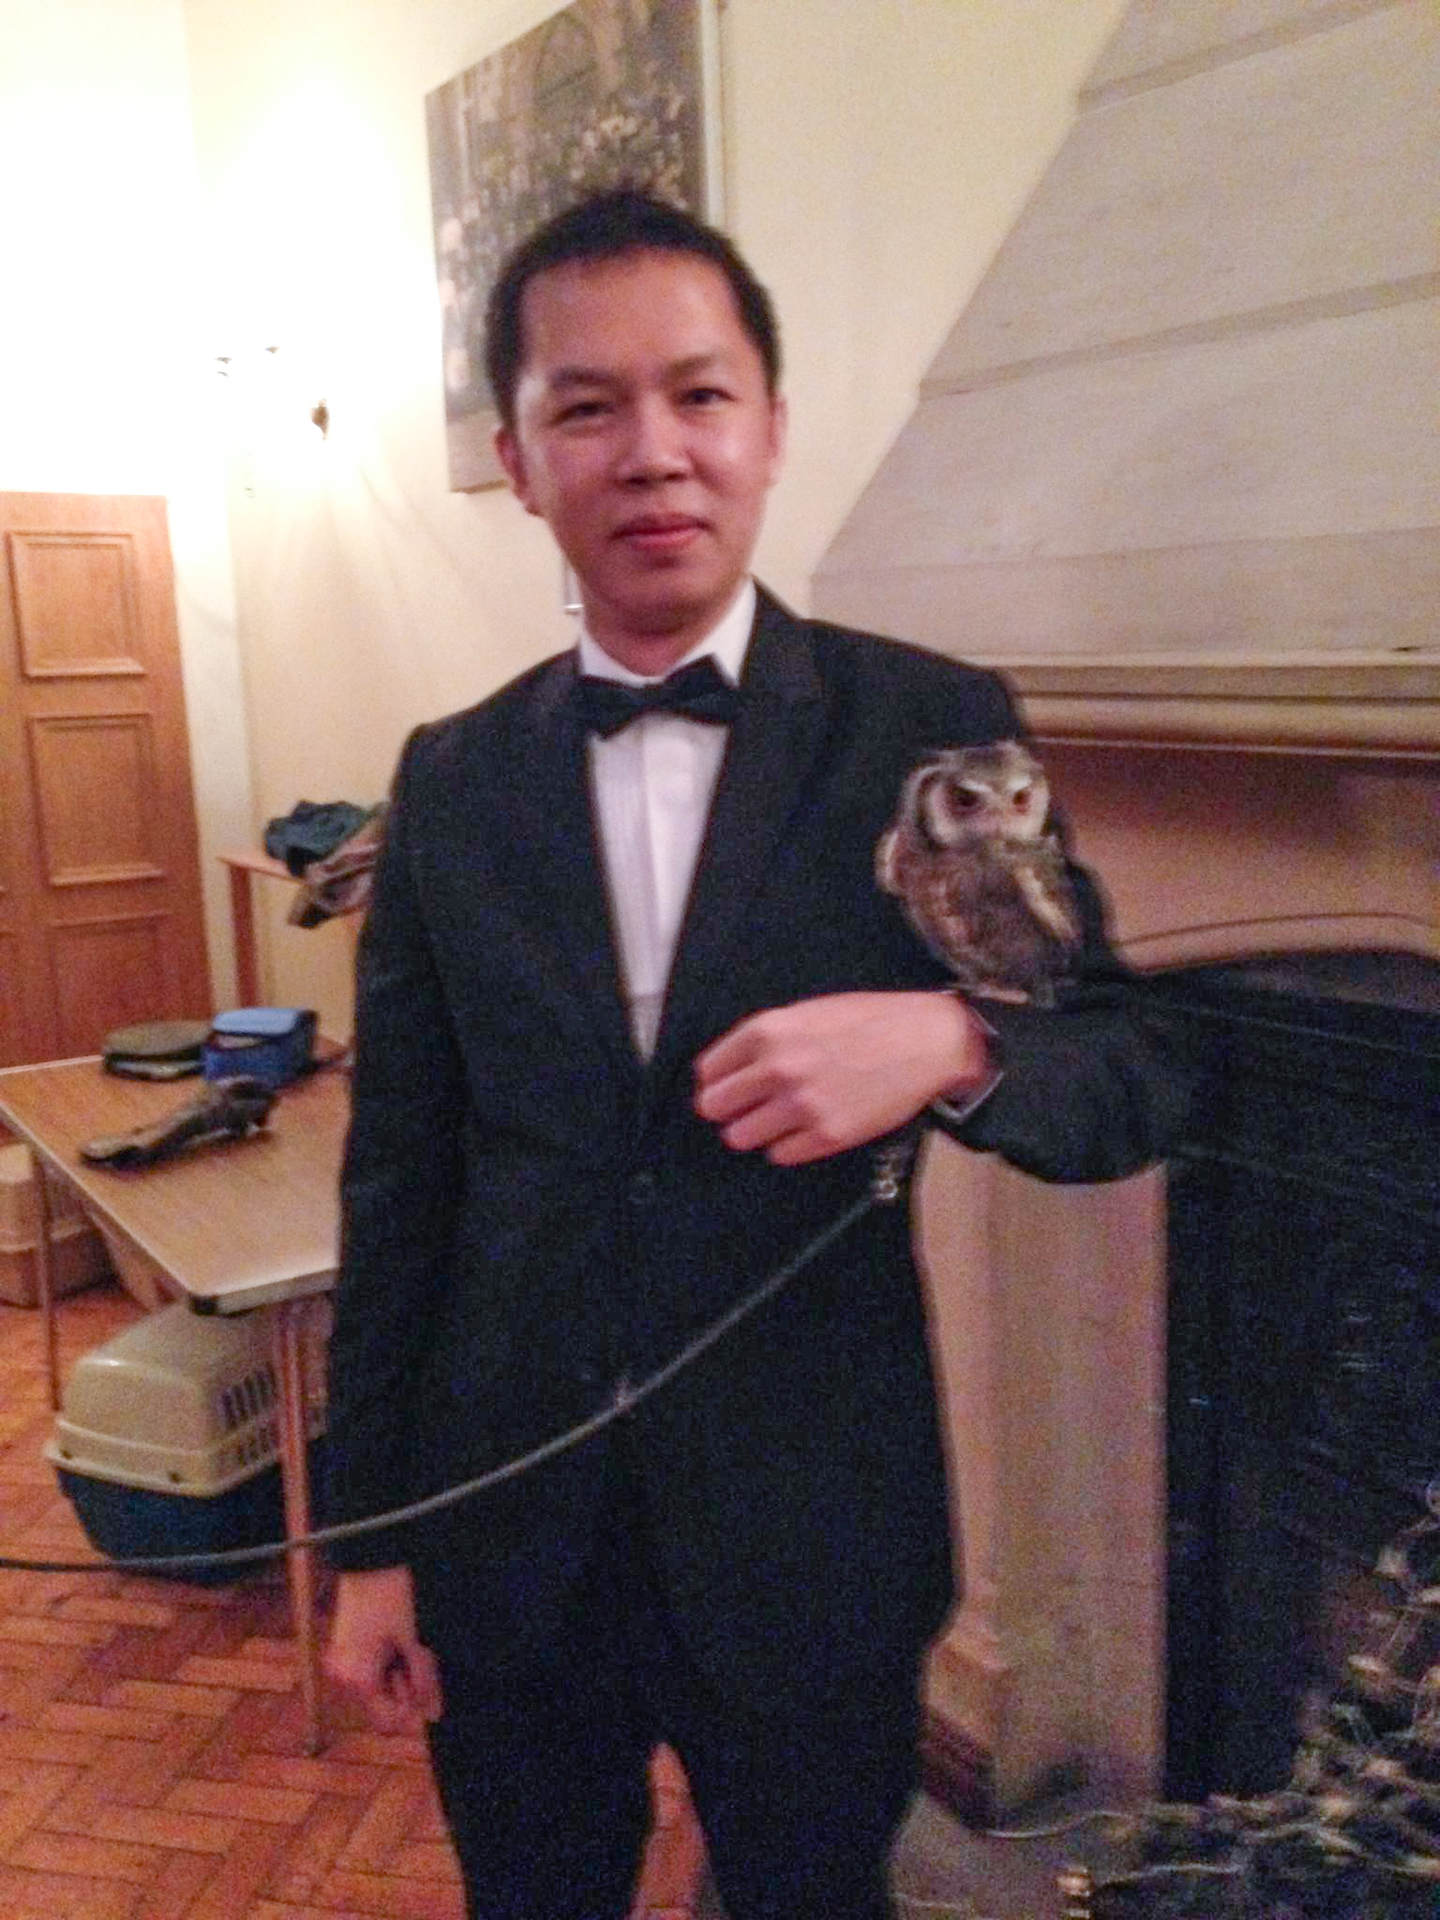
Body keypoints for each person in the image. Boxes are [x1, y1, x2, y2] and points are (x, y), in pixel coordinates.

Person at [320, 188, 1185, 1920]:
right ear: (519, 455)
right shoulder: (452, 776)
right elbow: (400, 1181)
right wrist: (371, 1542)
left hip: (808, 1538)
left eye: (700, 396)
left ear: (771, 430)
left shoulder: (928, 729)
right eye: (588, 407)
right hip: (509, 1531)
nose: (653, 452)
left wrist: (951, 1035)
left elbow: (1136, 1076)